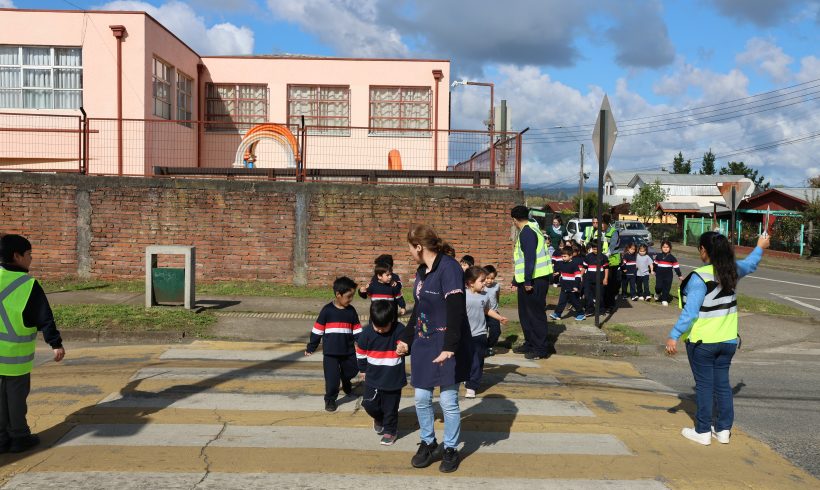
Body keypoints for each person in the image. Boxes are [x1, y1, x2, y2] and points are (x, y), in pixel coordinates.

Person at [666, 232, 769, 446]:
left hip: (703, 342)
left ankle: (702, 430)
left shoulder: (699, 277)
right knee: (722, 385)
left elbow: (690, 312)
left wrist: (674, 335)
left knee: (704, 386)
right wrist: (760, 245)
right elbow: (750, 263)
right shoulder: (732, 271)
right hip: (728, 341)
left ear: (703, 250)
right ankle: (723, 430)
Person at [397, 224, 471, 473]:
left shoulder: (448, 268)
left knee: (449, 401)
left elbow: (456, 309)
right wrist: (406, 338)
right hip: (424, 342)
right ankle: (428, 443)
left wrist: (451, 346)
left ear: (419, 247)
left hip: (447, 343)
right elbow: (418, 309)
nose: (409, 253)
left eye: (410, 248)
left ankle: (450, 448)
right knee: (421, 398)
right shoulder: (422, 271)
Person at [0, 234, 65, 454]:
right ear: (16, 256)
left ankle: (1, 438)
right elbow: (44, 316)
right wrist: (55, 343)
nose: (31, 259)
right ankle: (19, 437)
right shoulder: (27, 285)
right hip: (15, 358)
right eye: (29, 255)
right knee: (16, 399)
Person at [305, 276, 362, 412]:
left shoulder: (351, 311)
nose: (351, 299)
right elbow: (317, 331)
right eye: (348, 296)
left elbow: (357, 330)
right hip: (331, 353)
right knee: (332, 380)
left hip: (348, 351)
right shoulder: (327, 311)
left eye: (352, 296)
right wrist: (311, 347)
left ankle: (346, 379)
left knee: (352, 370)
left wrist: (362, 344)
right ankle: (330, 399)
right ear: (338, 295)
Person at [356, 300, 406, 446]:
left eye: (384, 327)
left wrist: (405, 349)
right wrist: (363, 369)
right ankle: (379, 418)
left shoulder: (399, 330)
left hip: (393, 378)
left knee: (390, 408)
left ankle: (390, 431)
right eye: (377, 327)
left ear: (392, 320)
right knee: (368, 404)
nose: (380, 330)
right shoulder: (366, 334)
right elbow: (361, 353)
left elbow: (408, 346)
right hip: (373, 377)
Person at [509, 205, 553, 359]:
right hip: (527, 279)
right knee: (525, 314)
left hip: (535, 280)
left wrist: (528, 281)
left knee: (535, 314)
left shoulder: (527, 233)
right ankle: (530, 343)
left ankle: (540, 349)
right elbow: (521, 260)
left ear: (514, 220)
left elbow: (530, 259)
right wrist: (516, 280)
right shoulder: (531, 229)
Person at [463, 266, 506, 398]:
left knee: (477, 361)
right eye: (482, 281)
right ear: (471, 282)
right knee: (466, 359)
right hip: (465, 334)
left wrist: (499, 317)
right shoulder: (462, 295)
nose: (484, 284)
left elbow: (487, 310)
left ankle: (472, 386)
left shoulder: (485, 295)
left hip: (480, 334)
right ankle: (466, 375)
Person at [549, 246, 585, 321]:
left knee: (575, 302)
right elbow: (562, 271)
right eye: (562, 256)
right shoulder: (562, 264)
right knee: (561, 302)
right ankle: (557, 314)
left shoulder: (574, 264)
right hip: (564, 287)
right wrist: (558, 273)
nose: (563, 258)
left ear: (571, 256)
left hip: (572, 288)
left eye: (565, 256)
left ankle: (581, 314)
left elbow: (578, 276)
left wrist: (576, 286)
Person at [482, 265, 507, 357]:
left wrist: (496, 308)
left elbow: (497, 297)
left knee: (496, 331)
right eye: (487, 278)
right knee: (482, 332)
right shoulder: (481, 286)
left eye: (492, 278)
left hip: (494, 312)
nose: (489, 280)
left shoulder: (496, 286)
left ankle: (489, 346)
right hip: (482, 313)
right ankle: (482, 348)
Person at [582, 242, 609, 318]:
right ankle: (589, 310)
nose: (595, 250)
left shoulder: (604, 257)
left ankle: (601, 310)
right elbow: (584, 267)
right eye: (594, 249)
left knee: (599, 296)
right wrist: (580, 276)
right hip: (588, 279)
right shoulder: (588, 257)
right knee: (587, 295)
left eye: (597, 249)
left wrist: (605, 278)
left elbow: (606, 269)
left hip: (600, 280)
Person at [654, 241, 682, 306]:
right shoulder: (658, 256)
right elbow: (655, 264)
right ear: (661, 248)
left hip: (668, 276)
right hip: (659, 275)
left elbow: (676, 267)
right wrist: (652, 271)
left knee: (667, 287)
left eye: (667, 247)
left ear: (670, 248)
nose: (665, 248)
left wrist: (679, 275)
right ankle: (657, 293)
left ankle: (664, 299)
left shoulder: (672, 258)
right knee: (658, 287)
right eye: (664, 247)